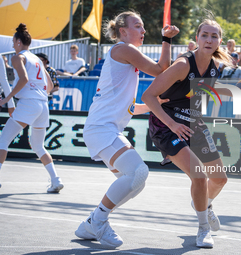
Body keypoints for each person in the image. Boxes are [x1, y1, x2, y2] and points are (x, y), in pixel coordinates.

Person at [74, 11, 179, 249]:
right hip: (102, 128)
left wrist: (157, 103)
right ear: (123, 31)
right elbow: (161, 68)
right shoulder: (123, 49)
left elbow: (131, 107)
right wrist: (167, 39)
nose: (143, 31)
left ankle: (91, 222)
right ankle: (99, 220)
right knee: (138, 172)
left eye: (143, 27)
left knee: (136, 181)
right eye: (138, 26)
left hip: (104, 129)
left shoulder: (125, 57)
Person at [142, 18, 235, 248]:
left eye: (214, 36)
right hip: (166, 124)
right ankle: (203, 229)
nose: (209, 39)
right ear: (197, 38)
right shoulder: (183, 65)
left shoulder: (215, 66)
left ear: (219, 41)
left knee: (220, 178)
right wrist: (173, 125)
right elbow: (148, 96)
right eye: (205, 35)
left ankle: (202, 204)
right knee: (199, 176)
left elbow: (195, 99)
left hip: (192, 121)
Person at [0, 23, 64, 193]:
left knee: (3, 140)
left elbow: (24, 79)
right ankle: (56, 180)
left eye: (14, 42)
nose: (13, 45)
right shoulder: (37, 59)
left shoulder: (18, 57)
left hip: (29, 103)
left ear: (19, 42)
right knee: (38, 146)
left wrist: (7, 98)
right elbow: (49, 85)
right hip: (43, 105)